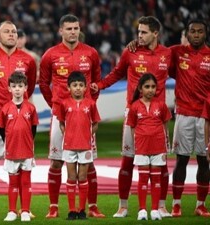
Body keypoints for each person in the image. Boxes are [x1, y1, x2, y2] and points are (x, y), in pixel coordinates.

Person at [91, 16, 172, 218]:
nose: (139, 36)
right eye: (138, 32)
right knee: (127, 161)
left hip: (158, 116)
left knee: (160, 164)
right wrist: (99, 85)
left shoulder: (168, 54)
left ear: (155, 33)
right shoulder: (131, 51)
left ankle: (161, 206)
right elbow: (116, 73)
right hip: (133, 114)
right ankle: (123, 206)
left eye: (144, 32)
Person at [38, 14, 103, 218]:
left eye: (75, 28)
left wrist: (89, 104)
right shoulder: (51, 54)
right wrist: (56, 107)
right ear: (61, 31)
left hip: (84, 117)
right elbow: (43, 84)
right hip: (60, 115)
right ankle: (54, 207)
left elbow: (96, 83)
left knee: (88, 162)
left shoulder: (91, 53)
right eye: (69, 28)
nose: (73, 31)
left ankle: (91, 207)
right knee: (56, 161)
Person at [0, 21, 37, 219]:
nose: (11, 35)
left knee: (21, 164)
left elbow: (30, 85)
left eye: (13, 32)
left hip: (20, 121)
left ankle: (23, 208)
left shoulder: (28, 60)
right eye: (7, 32)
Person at [168, 19, 210, 217]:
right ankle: (176, 204)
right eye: (192, 31)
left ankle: (200, 204)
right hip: (184, 114)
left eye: (200, 32)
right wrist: (135, 44)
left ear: (205, 34)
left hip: (205, 117)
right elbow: (156, 52)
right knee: (181, 159)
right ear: (187, 34)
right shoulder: (177, 52)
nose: (196, 35)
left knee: (204, 160)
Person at [128, 73, 172, 220]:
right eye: (147, 86)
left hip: (158, 147)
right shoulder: (134, 106)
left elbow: (165, 125)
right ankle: (142, 210)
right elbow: (133, 127)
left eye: (153, 87)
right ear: (140, 88)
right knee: (142, 178)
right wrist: (138, 142)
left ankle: (154, 210)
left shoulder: (161, 105)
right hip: (142, 147)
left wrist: (166, 144)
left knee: (156, 179)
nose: (150, 90)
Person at [58, 71, 100, 220]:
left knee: (82, 177)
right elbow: (61, 122)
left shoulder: (91, 104)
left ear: (85, 87)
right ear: (68, 87)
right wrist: (67, 134)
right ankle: (71, 210)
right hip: (69, 146)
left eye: (81, 85)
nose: (77, 88)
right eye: (74, 85)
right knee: (71, 176)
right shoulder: (64, 103)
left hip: (85, 146)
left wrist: (88, 136)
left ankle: (82, 210)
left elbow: (95, 123)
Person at [0, 72, 39, 222]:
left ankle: (25, 211)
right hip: (12, 151)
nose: (17, 89)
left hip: (27, 151)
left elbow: (33, 129)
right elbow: (2, 130)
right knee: (13, 182)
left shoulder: (31, 108)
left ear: (26, 88)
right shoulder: (5, 108)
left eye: (20, 86)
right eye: (14, 86)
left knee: (26, 182)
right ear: (9, 88)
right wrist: (10, 144)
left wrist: (26, 142)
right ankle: (12, 211)